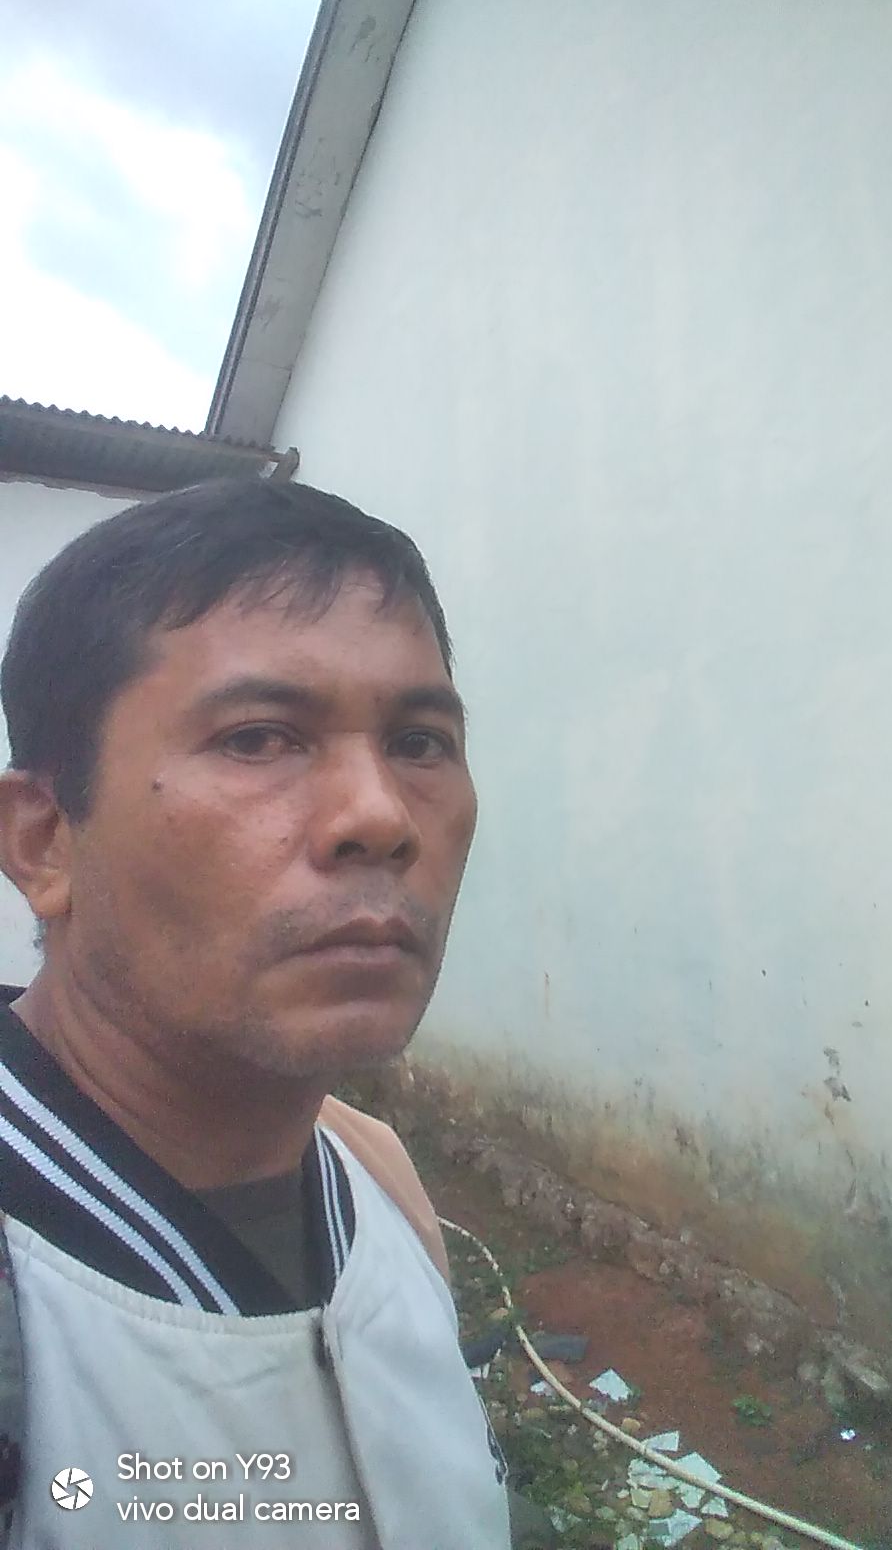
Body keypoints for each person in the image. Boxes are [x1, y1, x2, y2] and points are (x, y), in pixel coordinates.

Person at [0, 478, 513, 1546]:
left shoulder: (378, 1185)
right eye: (258, 738)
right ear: (45, 840)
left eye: (420, 742)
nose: (380, 815)